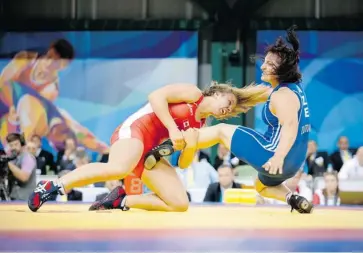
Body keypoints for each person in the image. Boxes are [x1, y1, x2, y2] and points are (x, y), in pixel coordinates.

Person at [144, 26, 314, 213]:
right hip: (295, 162)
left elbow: (290, 126)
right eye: (264, 61)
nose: (263, 66)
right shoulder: (293, 89)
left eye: (270, 64)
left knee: (221, 130)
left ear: (282, 70)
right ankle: (293, 198)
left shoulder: (281, 96)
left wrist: (278, 157)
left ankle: (171, 144)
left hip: (276, 155)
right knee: (261, 185)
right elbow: (261, 95)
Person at [28, 82, 270, 212]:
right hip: (134, 131)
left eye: (230, 110)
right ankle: (54, 185)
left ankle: (121, 201)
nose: (227, 109)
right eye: (227, 102)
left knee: (179, 203)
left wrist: (189, 148)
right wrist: (174, 130)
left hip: (148, 151)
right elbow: (156, 97)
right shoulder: (193, 94)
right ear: (216, 92)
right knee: (118, 168)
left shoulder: (199, 126)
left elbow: (184, 164)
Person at [0, 39, 108, 152]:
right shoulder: (25, 59)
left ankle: (102, 149)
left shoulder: (51, 88)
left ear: (62, 66)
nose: (50, 62)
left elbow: (35, 111)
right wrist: (12, 103)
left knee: (65, 119)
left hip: (15, 118)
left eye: (56, 61)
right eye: (51, 57)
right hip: (5, 103)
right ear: (49, 51)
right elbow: (3, 82)